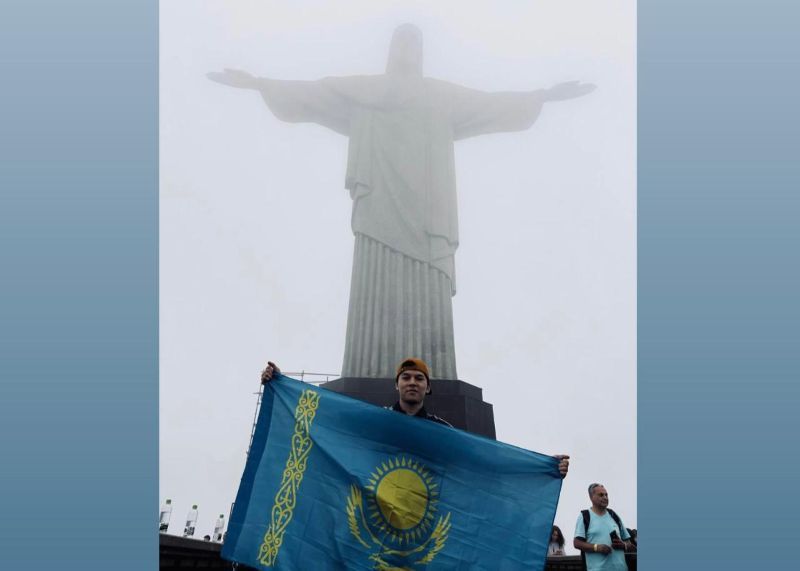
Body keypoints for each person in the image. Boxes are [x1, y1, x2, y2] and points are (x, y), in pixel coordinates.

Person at [209, 24, 595, 381]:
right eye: (402, 41)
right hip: (378, 207)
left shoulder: (441, 98)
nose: (408, 49)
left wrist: (542, 96)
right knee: (373, 281)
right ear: (391, 49)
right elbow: (314, 94)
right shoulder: (364, 91)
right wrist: (259, 84)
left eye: (415, 43)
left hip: (429, 214)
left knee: (429, 287)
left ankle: (435, 375)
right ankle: (365, 369)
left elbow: (489, 105)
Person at [260, 357, 570, 478]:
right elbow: (328, 425)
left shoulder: (441, 430)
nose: (412, 383)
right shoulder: (377, 422)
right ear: (396, 385)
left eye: (419, 378)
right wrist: (281, 382)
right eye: (406, 377)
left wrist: (544, 465)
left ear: (427, 387)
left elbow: (481, 460)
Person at [573, 483, 635, 571]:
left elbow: (629, 544)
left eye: (606, 495)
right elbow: (577, 543)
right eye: (601, 495)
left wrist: (623, 545)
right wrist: (597, 547)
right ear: (591, 497)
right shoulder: (585, 516)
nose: (605, 497)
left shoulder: (613, 515)